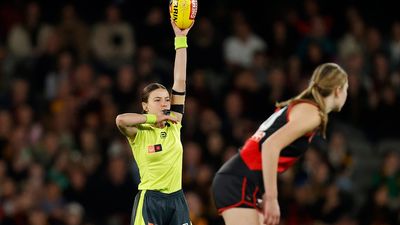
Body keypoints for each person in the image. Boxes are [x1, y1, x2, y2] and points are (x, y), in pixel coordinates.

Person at [211, 63, 349, 225]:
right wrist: (271, 198)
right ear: (338, 90)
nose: (347, 93)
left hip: (243, 181)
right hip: (240, 181)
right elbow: (270, 145)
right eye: (346, 88)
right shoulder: (313, 113)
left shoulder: (303, 107)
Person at [116, 20, 193, 225]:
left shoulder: (174, 122)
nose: (164, 103)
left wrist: (181, 38)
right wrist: (153, 118)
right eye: (157, 100)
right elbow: (120, 120)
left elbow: (180, 81)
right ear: (145, 105)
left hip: (177, 200)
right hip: (150, 201)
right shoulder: (139, 132)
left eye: (167, 99)